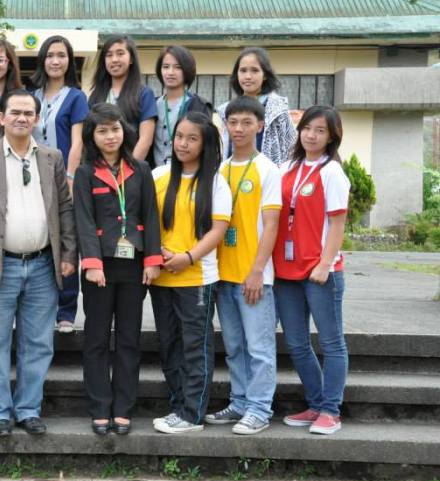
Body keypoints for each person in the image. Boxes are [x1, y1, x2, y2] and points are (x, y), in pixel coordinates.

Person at [0, 89, 77, 437]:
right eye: (15, 112)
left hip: (42, 264)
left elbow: (65, 210)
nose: (22, 118)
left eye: (29, 112)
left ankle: (28, 409)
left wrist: (69, 254)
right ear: (1, 117)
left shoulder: (52, 158)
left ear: (37, 118)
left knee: (38, 342)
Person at [73, 103, 163, 435]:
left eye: (115, 129)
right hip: (99, 269)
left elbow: (150, 217)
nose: (110, 136)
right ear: (91, 136)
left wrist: (153, 260)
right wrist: (92, 263)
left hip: (134, 266)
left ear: (124, 131)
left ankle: (123, 408)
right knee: (96, 339)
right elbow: (83, 219)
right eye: (102, 130)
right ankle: (99, 407)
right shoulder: (84, 173)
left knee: (128, 339)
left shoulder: (140, 169)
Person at [150, 112, 231, 434]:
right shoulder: (158, 175)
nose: (182, 143)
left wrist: (188, 257)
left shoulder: (216, 182)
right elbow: (147, 221)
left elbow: (218, 229)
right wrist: (159, 253)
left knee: (195, 345)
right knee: (169, 344)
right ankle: (178, 406)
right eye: (179, 136)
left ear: (205, 143)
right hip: (162, 277)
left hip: (196, 277)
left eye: (192, 138)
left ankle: (192, 413)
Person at [273, 105, 350, 435]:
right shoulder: (287, 166)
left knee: (331, 343)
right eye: (307, 128)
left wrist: (324, 264)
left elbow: (337, 224)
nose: (311, 135)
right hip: (286, 272)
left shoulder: (332, 172)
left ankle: (331, 411)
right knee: (297, 343)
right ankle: (316, 403)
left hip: (320, 272)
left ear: (332, 136)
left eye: (320, 130)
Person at [207, 96, 281, 435]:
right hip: (224, 275)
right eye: (233, 122)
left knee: (260, 348)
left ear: (259, 126)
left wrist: (257, 271)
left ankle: (260, 409)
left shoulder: (267, 169)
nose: (238, 129)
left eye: (246, 122)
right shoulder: (220, 169)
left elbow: (272, 226)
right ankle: (239, 402)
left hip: (254, 277)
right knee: (234, 347)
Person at [29, 35, 90, 334]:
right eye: (50, 55)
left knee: (66, 242)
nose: (55, 60)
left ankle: (66, 311)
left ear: (69, 61)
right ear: (42, 59)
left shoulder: (76, 97)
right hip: (31, 179)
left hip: (64, 179)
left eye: (61, 55)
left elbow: (78, 141)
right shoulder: (31, 96)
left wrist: (69, 176)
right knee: (38, 241)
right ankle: (39, 307)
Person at [218, 47, 296, 165]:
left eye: (254, 70)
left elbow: (292, 148)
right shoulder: (226, 110)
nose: (248, 76)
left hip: (268, 178)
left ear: (265, 75)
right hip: (232, 175)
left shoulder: (278, 110)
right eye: (243, 70)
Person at [87, 35, 157, 161]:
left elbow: (145, 140)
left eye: (120, 54)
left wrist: (129, 171)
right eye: (109, 55)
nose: (114, 59)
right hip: (100, 169)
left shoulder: (144, 94)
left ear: (131, 59)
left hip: (131, 169)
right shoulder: (96, 96)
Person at [152, 46, 213, 168]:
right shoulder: (151, 104)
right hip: (155, 176)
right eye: (165, 67)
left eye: (177, 67)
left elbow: (207, 146)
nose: (170, 72)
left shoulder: (199, 106)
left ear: (187, 70)